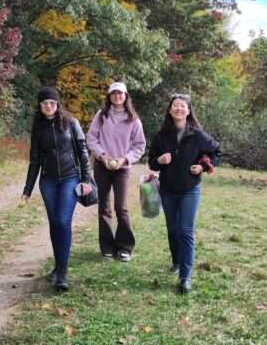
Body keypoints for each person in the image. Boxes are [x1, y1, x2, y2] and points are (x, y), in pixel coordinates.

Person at [21, 86, 93, 291]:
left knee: (62, 221)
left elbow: (83, 152)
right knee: (54, 223)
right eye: (44, 103)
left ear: (57, 104)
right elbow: (34, 161)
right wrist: (27, 190)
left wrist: (86, 180)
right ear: (39, 106)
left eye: (52, 103)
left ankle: (63, 272)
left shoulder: (71, 123)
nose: (48, 106)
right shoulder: (38, 128)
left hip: (70, 179)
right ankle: (58, 266)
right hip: (48, 182)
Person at [148, 93, 220, 294]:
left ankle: (185, 277)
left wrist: (203, 167)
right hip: (168, 190)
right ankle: (177, 261)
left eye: (183, 106)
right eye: (175, 105)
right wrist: (159, 161)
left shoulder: (197, 135)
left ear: (188, 111)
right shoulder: (161, 136)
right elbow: (152, 161)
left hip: (190, 189)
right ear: (170, 110)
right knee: (173, 229)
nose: (179, 108)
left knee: (186, 231)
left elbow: (216, 152)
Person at [86, 82, 146, 262]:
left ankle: (125, 246)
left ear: (126, 96)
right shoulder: (101, 116)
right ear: (109, 96)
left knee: (121, 207)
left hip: (122, 169)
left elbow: (139, 146)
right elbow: (91, 139)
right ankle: (107, 247)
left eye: (120, 93)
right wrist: (102, 156)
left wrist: (124, 159)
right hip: (102, 166)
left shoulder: (133, 119)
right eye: (113, 93)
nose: (117, 96)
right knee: (103, 207)